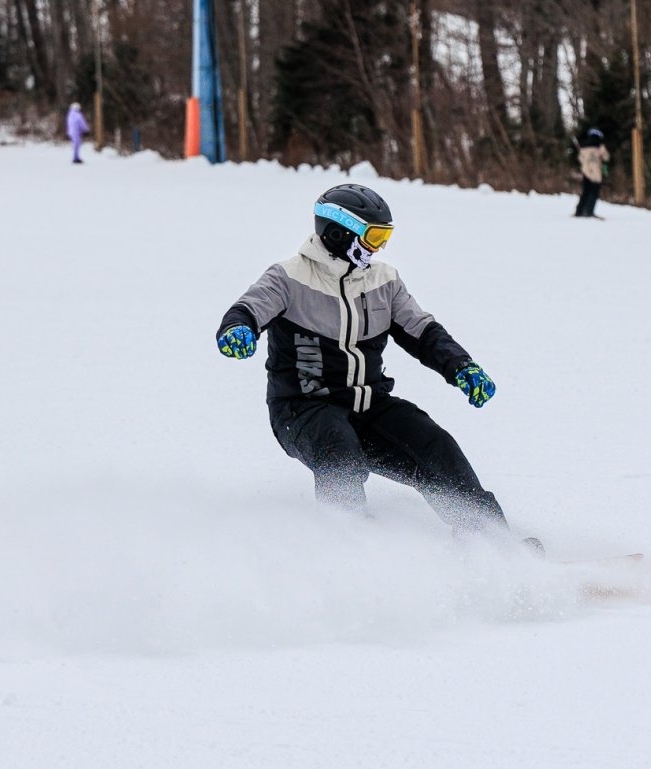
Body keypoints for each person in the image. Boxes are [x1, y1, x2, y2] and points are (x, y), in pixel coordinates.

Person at [216, 184, 536, 549]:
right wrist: (238, 329)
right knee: (339, 450)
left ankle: (491, 542)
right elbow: (248, 309)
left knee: (433, 444)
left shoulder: (383, 281)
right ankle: (352, 553)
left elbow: (423, 332)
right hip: (303, 408)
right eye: (373, 235)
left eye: (385, 236)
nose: (379, 247)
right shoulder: (289, 278)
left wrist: (462, 367)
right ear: (338, 232)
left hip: (369, 406)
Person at [575, 128, 610, 218]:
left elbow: (580, 159)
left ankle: (579, 211)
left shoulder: (583, 148)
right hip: (596, 174)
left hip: (586, 173)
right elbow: (606, 157)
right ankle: (589, 211)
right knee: (594, 193)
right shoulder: (600, 147)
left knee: (585, 192)